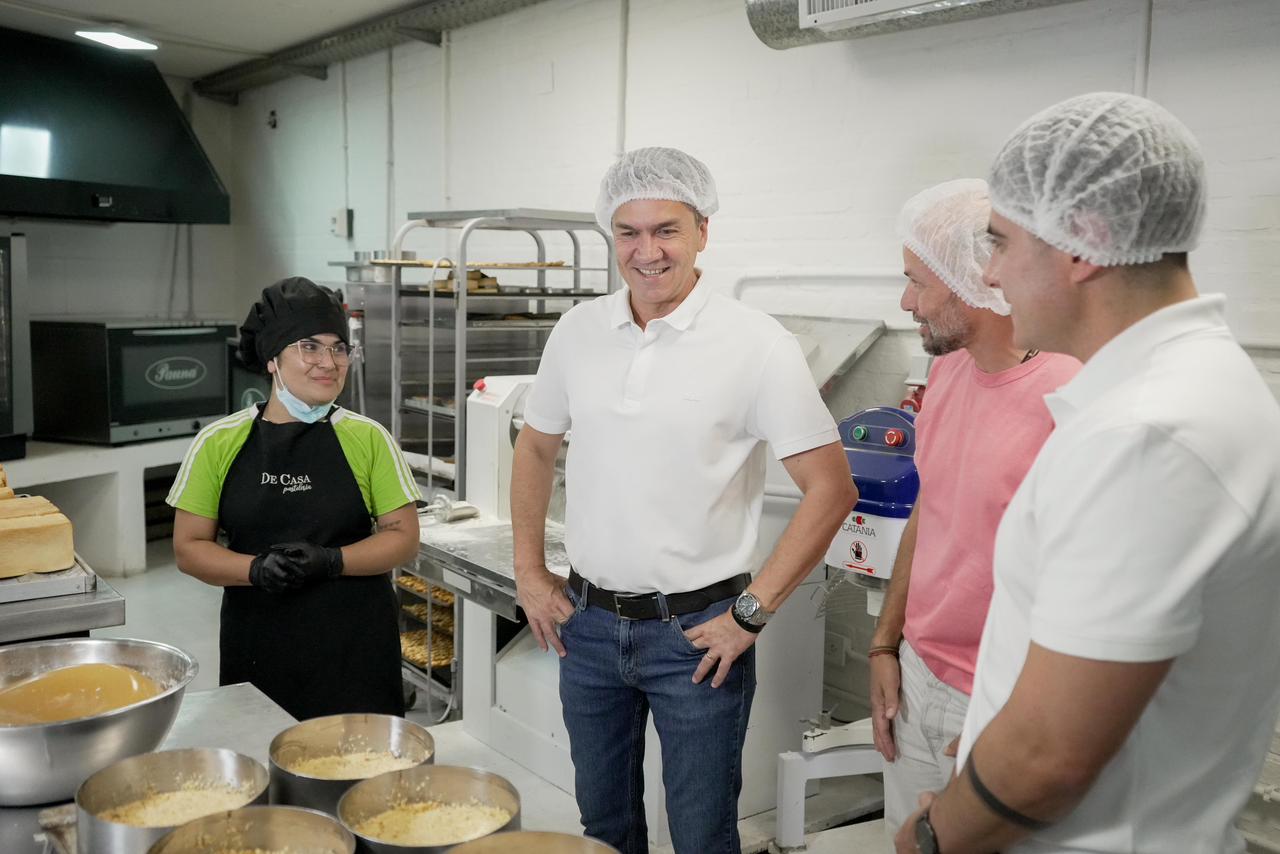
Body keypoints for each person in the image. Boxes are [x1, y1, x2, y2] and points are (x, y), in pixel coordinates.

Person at [896, 93, 1280, 854]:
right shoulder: (1186, 390)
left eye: (1001, 243)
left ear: (1085, 244)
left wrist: (937, 833)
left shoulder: (1144, 436)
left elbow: (1047, 758)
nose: (991, 273)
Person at [511, 147, 857, 854]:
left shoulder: (757, 344)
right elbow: (536, 447)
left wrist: (750, 615)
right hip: (587, 626)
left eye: (666, 230)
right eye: (629, 233)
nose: (647, 252)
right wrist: (528, 570)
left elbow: (832, 489)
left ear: (703, 231)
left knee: (702, 836)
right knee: (603, 828)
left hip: (698, 637)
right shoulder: (577, 332)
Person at [871, 179, 1079, 841]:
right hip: (916, 674)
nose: (905, 302)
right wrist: (885, 642)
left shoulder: (1071, 394)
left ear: (973, 281)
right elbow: (931, 507)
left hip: (1002, 693)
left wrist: (1017, 718)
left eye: (917, 282)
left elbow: (1080, 584)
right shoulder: (948, 368)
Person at [168, 277, 421, 721]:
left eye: (339, 348)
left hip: (356, 647)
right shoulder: (218, 442)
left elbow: (403, 537)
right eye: (309, 347)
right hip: (259, 642)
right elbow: (189, 548)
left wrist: (332, 561)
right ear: (272, 359)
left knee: (364, 760)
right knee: (265, 754)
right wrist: (255, 569)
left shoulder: (369, 438)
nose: (329, 362)